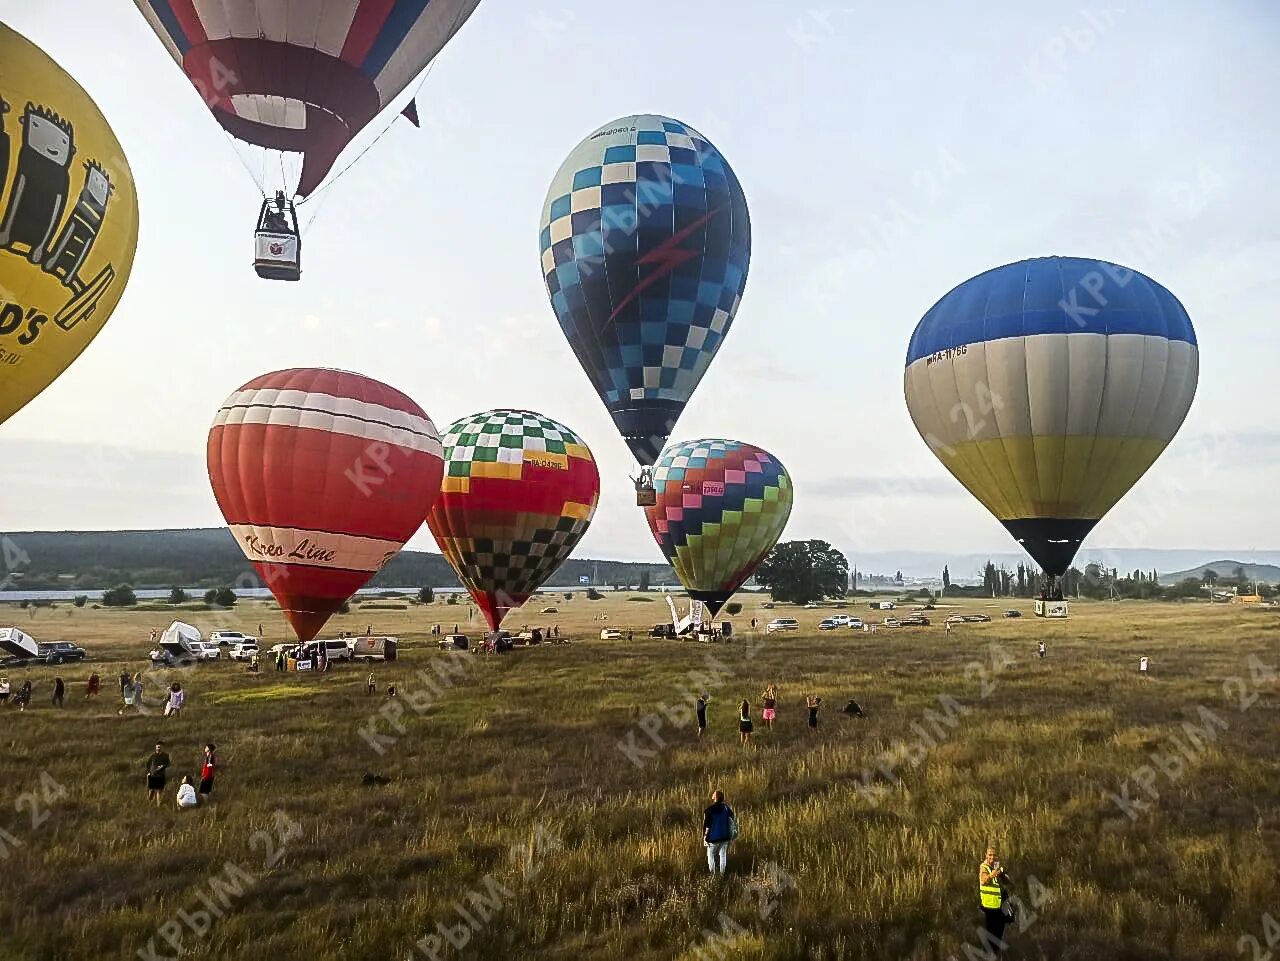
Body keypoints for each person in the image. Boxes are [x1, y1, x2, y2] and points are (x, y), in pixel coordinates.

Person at [979, 846, 1008, 952]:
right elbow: (983, 880)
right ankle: (989, 953)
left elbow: (1008, 881)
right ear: (986, 855)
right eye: (990, 854)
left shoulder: (997, 867)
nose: (992, 857)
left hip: (997, 905)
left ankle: (993, 952)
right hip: (988, 905)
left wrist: (1002, 875)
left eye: (994, 855)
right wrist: (991, 875)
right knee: (991, 932)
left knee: (999, 930)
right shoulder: (983, 867)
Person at [702, 789, 736, 876]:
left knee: (711, 856)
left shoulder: (709, 810)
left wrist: (705, 837)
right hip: (725, 836)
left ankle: (713, 876)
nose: (712, 794)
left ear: (715, 797)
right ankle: (722, 875)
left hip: (713, 837)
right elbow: (732, 818)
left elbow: (707, 825)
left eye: (714, 794)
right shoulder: (726, 808)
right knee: (723, 856)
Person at [146, 742, 171, 806]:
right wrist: (149, 772)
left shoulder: (166, 755)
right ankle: (149, 804)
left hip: (161, 776)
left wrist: (163, 766)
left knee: (159, 791)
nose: (158, 748)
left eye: (159, 747)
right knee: (151, 791)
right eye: (157, 747)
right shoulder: (153, 755)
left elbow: (168, 764)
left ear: (162, 747)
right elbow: (147, 764)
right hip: (152, 776)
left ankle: (158, 805)